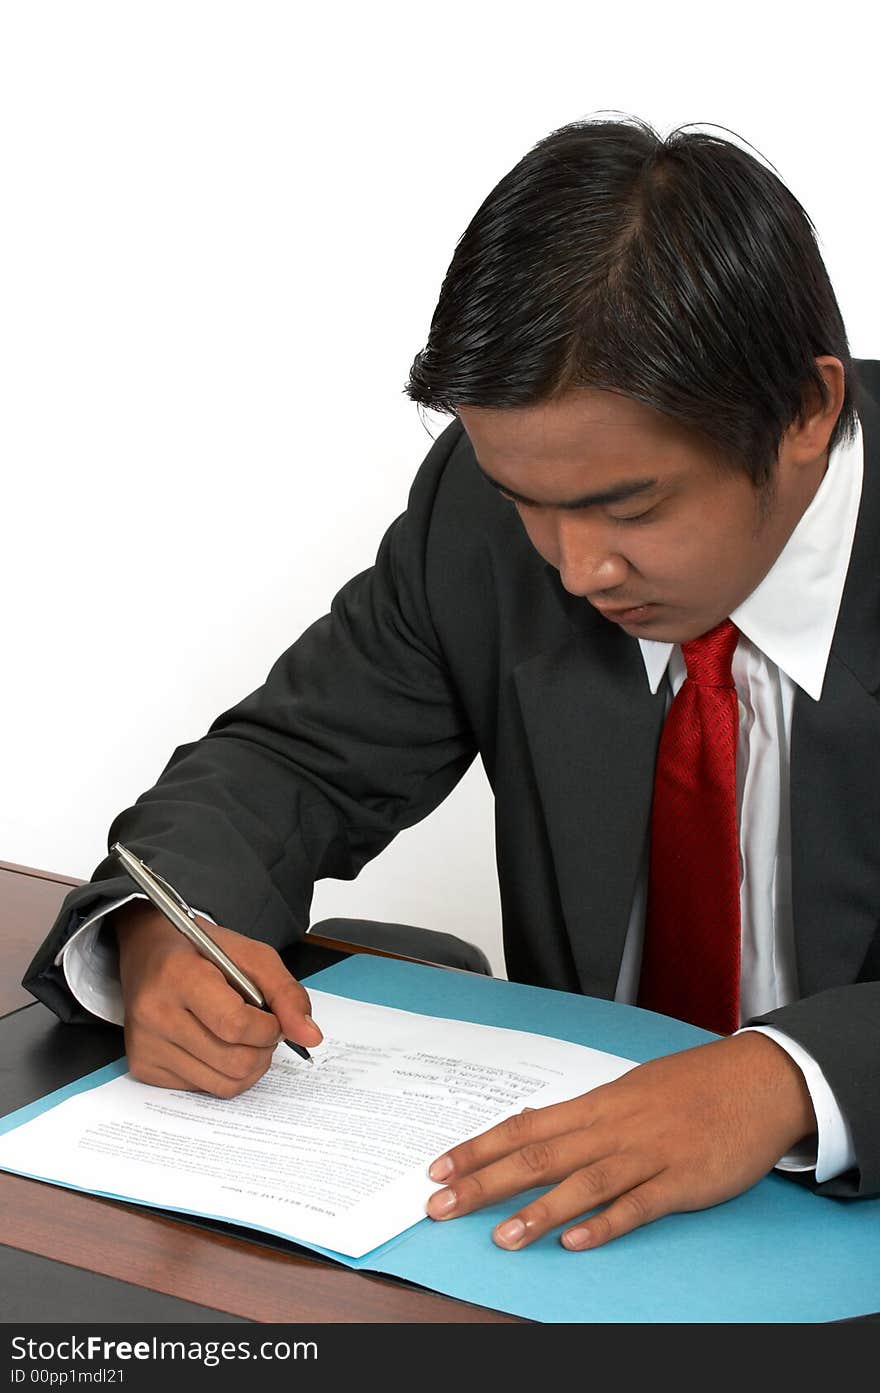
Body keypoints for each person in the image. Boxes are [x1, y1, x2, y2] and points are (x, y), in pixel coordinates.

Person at [23, 114, 879, 1257]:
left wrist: (778, 1083)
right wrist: (166, 931)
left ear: (806, 416)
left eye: (629, 507)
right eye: (530, 499)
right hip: (569, 1235)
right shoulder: (481, 517)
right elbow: (294, 762)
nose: (576, 569)